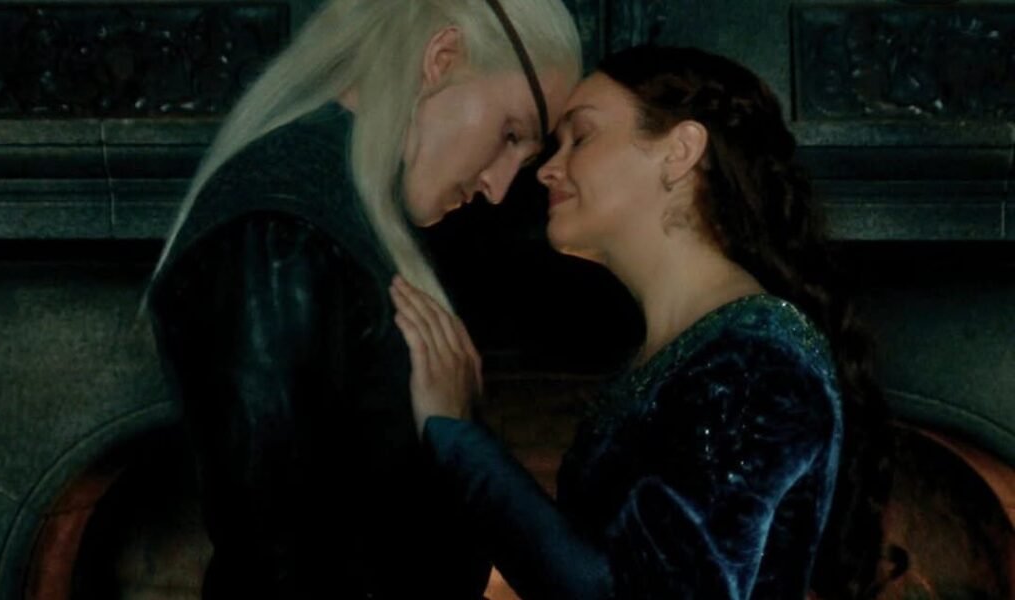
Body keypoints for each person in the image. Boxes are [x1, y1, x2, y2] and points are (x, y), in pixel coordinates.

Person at [390, 45, 895, 599]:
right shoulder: (685, 351)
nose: (549, 169)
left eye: (581, 137)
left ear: (680, 151)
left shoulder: (755, 363)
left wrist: (459, 436)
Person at [144, 1, 581, 598]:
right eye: (509, 135)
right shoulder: (279, 236)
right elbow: (275, 556)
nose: (499, 188)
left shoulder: (347, 219)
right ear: (442, 57)